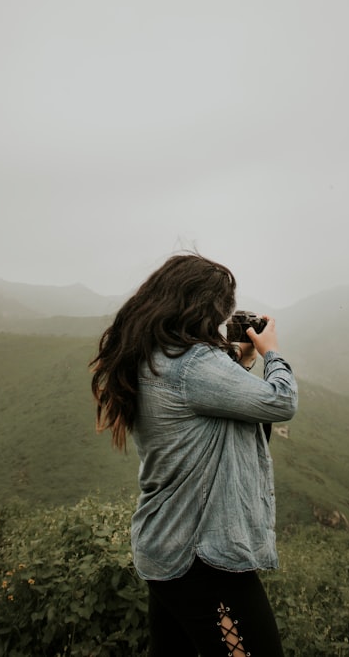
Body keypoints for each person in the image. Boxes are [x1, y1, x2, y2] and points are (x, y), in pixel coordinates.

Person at [90, 252, 298, 657]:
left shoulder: (151, 356)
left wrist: (237, 361)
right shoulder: (194, 366)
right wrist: (272, 352)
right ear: (203, 308)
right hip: (202, 559)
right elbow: (280, 401)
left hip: (164, 547)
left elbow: (197, 402)